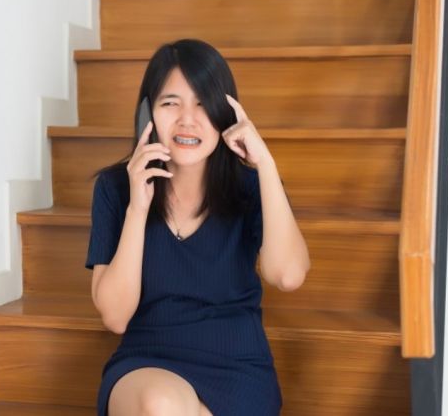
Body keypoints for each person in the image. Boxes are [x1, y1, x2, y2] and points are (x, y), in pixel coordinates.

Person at [85, 38, 311, 416]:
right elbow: (115, 316)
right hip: (147, 363)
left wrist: (267, 164)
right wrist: (138, 209)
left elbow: (287, 275)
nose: (188, 119)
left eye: (204, 103)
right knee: (161, 405)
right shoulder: (115, 188)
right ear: (148, 114)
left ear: (227, 115)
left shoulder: (251, 188)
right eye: (171, 103)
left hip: (237, 367)